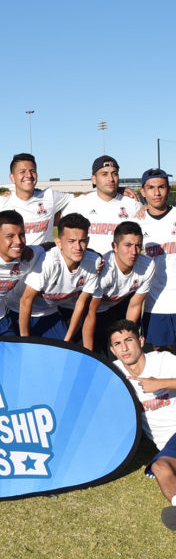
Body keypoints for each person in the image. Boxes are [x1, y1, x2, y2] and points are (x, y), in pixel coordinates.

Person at [108, 319, 176, 531]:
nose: (125, 347)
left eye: (129, 340)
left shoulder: (164, 360)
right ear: (112, 350)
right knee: (159, 467)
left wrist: (161, 383)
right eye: (118, 344)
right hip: (166, 444)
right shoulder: (113, 374)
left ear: (141, 340)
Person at [18, 213, 101, 342]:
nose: (78, 247)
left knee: (66, 351)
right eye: (71, 241)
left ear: (88, 241)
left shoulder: (93, 262)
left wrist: (67, 339)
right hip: (19, 312)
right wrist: (25, 341)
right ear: (58, 243)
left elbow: (80, 304)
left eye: (82, 241)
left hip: (50, 312)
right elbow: (25, 301)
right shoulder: (48, 262)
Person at [82, 221, 155, 354]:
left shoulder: (147, 265)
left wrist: (127, 339)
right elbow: (90, 312)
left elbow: (135, 305)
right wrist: (88, 353)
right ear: (114, 246)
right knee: (91, 356)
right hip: (84, 312)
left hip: (113, 309)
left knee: (121, 356)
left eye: (138, 246)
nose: (134, 252)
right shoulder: (104, 269)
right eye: (128, 245)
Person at [0, 153, 72, 244]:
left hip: (44, 257)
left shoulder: (49, 196)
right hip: (15, 259)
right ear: (12, 177)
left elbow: (79, 200)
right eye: (22, 171)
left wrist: (57, 217)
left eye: (32, 171)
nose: (29, 175)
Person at [61, 155, 141, 254]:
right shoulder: (79, 203)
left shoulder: (133, 204)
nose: (110, 179)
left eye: (114, 174)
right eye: (104, 174)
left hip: (121, 268)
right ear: (94, 179)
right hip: (88, 266)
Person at [137, 168, 176, 351]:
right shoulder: (137, 222)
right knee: (162, 360)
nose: (157, 192)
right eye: (151, 187)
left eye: (161, 187)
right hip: (156, 305)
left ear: (168, 189)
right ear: (143, 191)